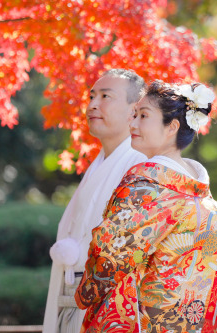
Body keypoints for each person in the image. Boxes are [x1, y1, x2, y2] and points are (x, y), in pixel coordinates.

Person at [76, 81, 217, 333]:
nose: (133, 124)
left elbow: (109, 254)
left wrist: (85, 291)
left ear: (171, 127)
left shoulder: (146, 186)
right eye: (134, 115)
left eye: (143, 116)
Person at [43, 69, 148, 333]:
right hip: (72, 302)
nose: (92, 105)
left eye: (105, 96)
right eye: (91, 97)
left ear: (134, 110)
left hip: (111, 311)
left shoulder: (141, 166)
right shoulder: (99, 164)